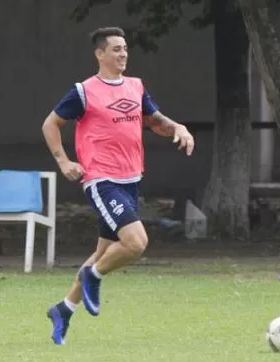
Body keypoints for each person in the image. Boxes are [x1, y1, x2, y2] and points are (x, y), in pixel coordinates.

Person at [41, 26, 194, 344]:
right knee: (136, 243)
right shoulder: (84, 91)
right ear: (100, 54)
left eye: (125, 48)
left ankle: (65, 308)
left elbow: (154, 121)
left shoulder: (136, 87)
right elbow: (50, 124)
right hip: (101, 179)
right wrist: (64, 161)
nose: (123, 54)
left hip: (130, 180)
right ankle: (92, 276)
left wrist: (178, 127)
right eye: (116, 49)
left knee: (104, 251)